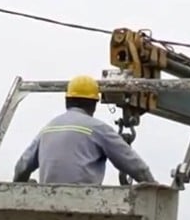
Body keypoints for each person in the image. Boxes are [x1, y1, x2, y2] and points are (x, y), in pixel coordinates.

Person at [13, 75, 157, 185]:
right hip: (85, 207)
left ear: (67, 100)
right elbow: (137, 168)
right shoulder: (98, 129)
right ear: (94, 104)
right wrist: (155, 191)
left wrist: (20, 191)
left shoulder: (49, 127)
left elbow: (21, 167)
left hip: (47, 207)